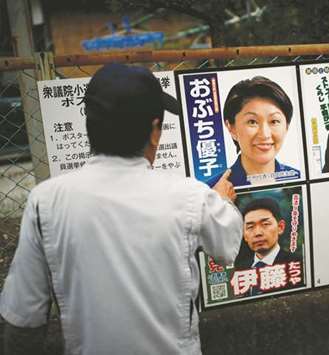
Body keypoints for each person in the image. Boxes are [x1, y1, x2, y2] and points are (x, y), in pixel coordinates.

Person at [0, 63, 243, 355]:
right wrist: (223, 199)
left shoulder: (46, 201)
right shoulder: (189, 196)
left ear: (90, 125)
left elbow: (23, 320)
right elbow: (228, 244)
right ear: (155, 131)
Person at [207, 76, 300, 187]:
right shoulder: (210, 192)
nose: (265, 134)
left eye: (274, 121)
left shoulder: (300, 180)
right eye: (252, 122)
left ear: (286, 127)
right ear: (231, 128)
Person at [233, 198, 300, 270]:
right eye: (250, 227)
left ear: (280, 227)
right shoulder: (240, 270)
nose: (258, 233)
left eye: (265, 224)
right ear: (244, 235)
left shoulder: (298, 265)